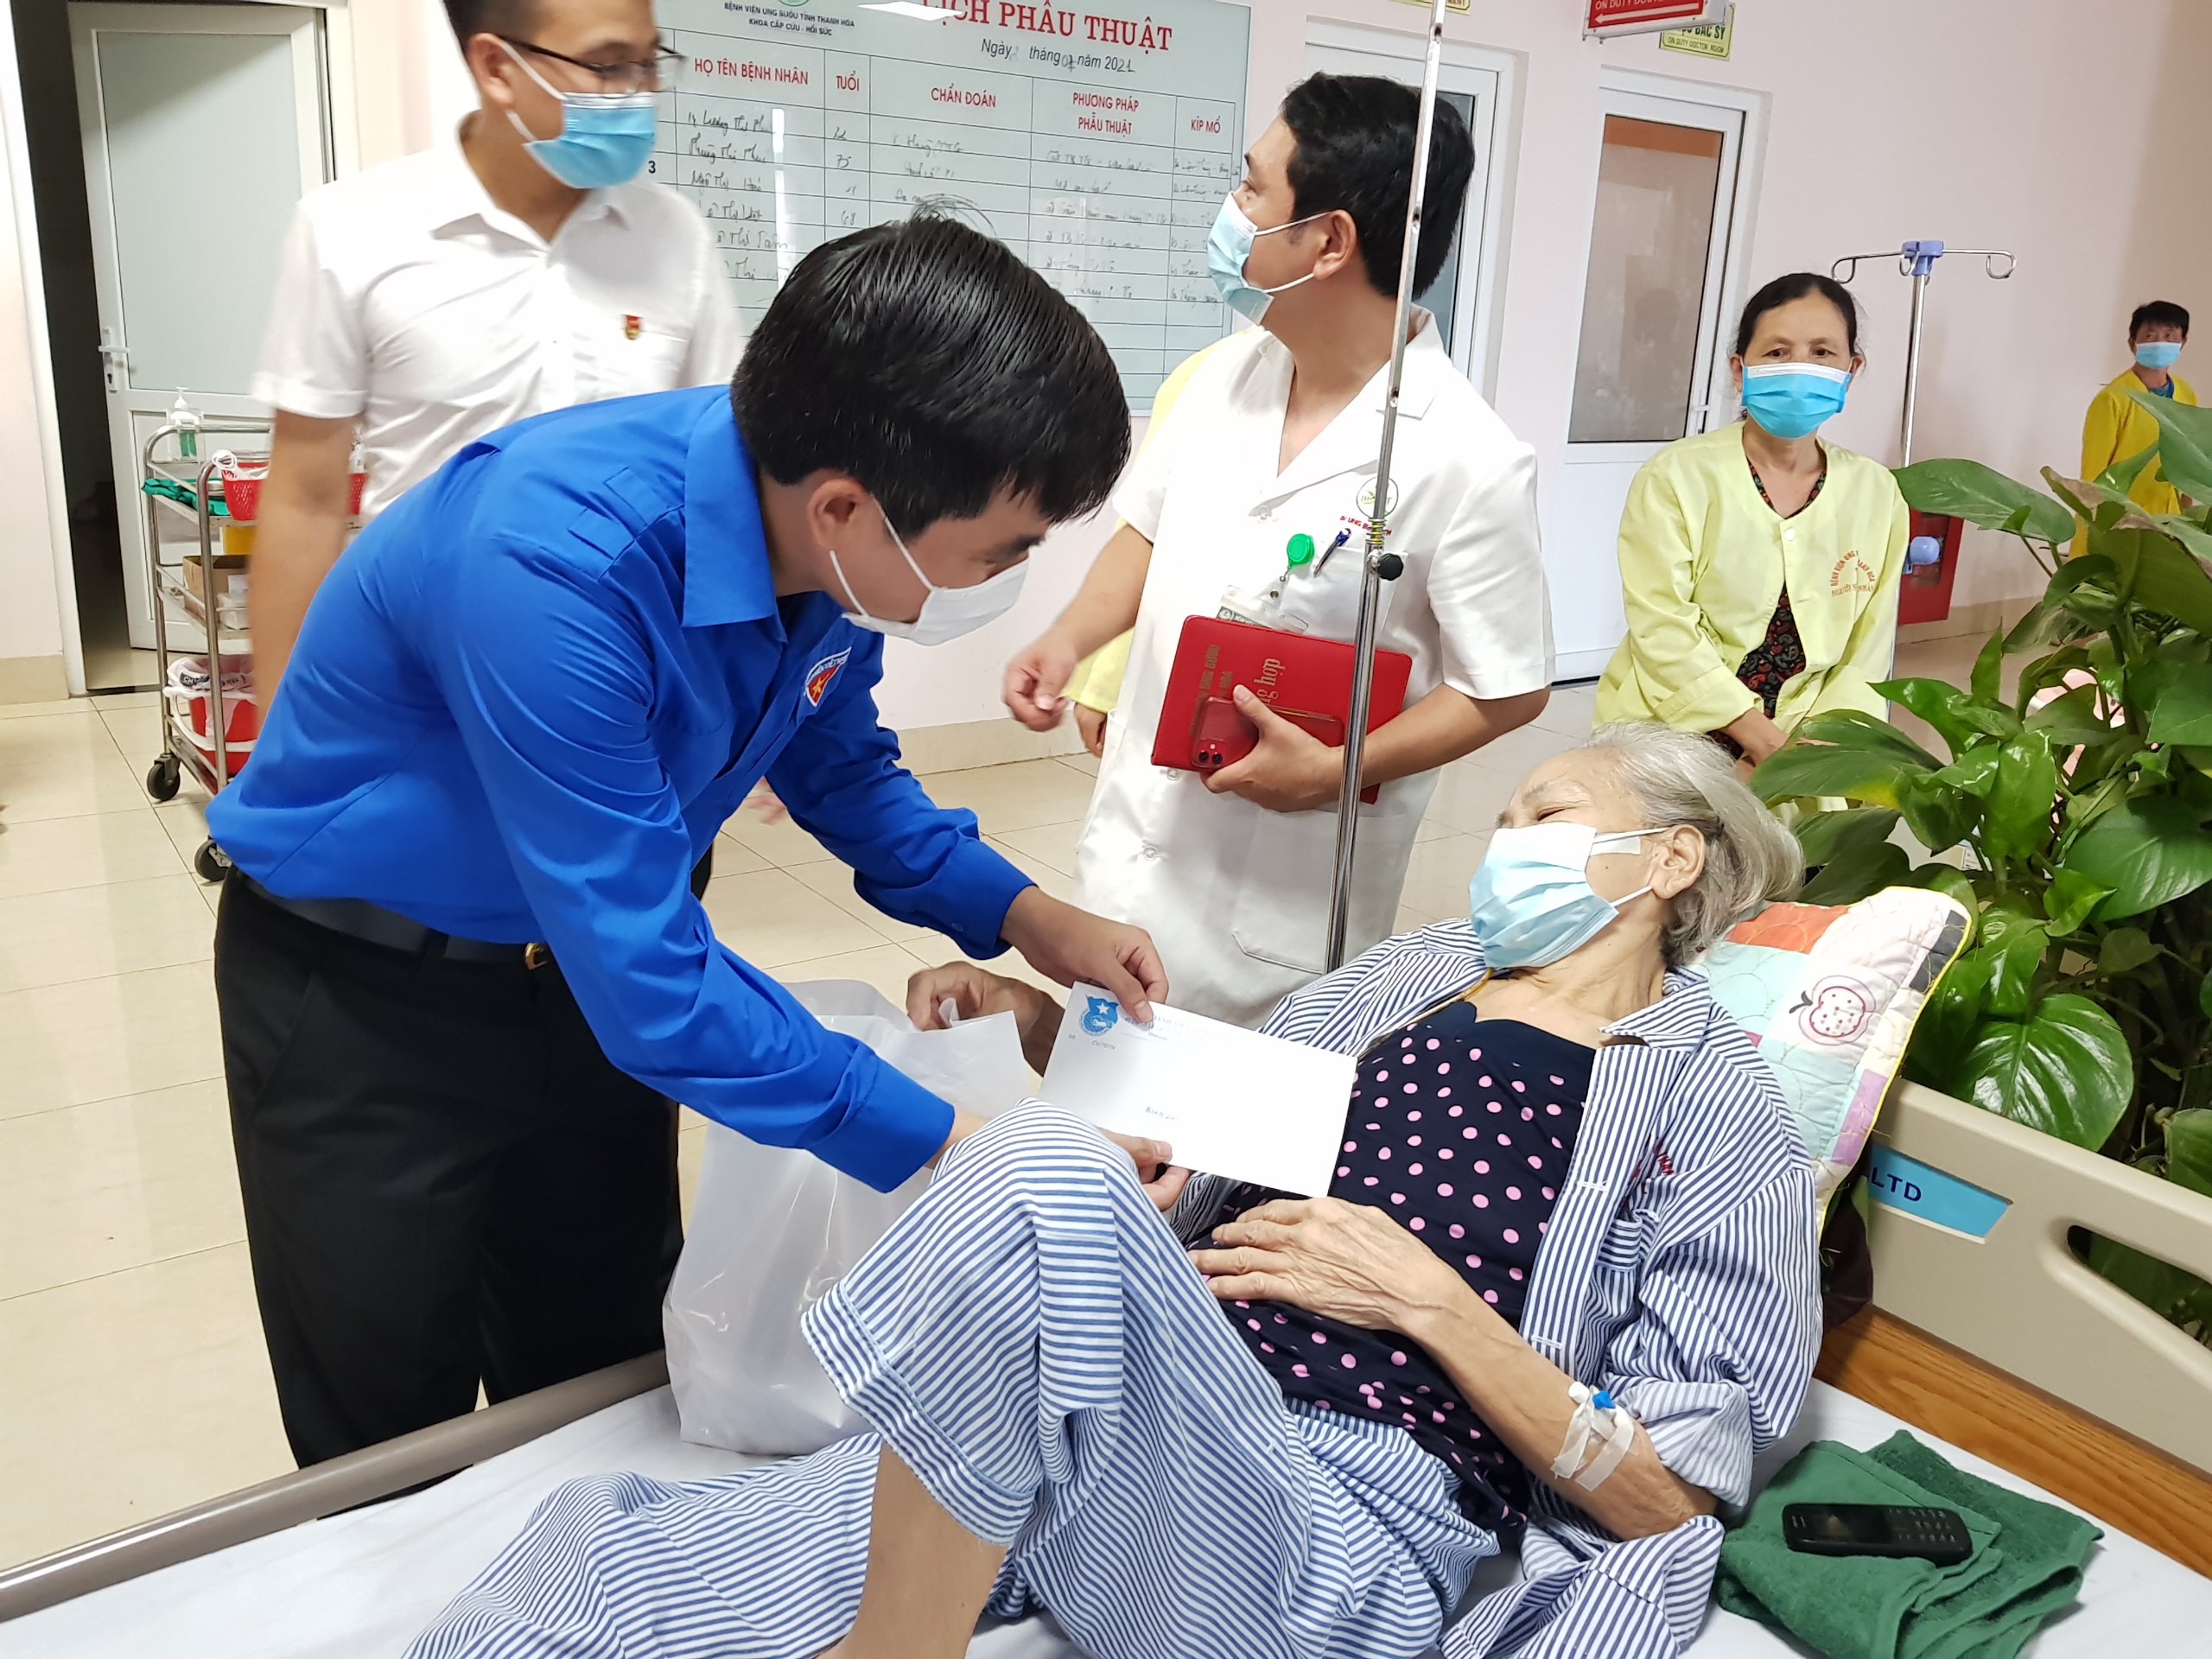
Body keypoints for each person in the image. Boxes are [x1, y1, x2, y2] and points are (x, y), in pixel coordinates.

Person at [406, 722, 1820, 1659]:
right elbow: (1206, 1112)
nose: (1506, 844)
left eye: (1544, 813)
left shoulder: (1712, 1096)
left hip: (1330, 1530)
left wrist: (1433, 1304)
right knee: (601, 1556)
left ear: (1671, 858)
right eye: (1501, 817)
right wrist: (1039, 1026)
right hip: (1123, 1418)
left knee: (1039, 1170)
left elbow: (1673, 1500)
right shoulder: (1413, 978)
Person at [205, 217, 1172, 1468]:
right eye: (1003, 551)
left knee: (605, 1370)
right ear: (847, 508)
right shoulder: (553, 564)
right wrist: (959, 1148)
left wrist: (1036, 921)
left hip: (575, 991)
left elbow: (841, 772)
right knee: (387, 1419)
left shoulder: (822, 547)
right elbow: (655, 984)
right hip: (367, 998)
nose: (1011, 579)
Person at [1004, 74, 1552, 1028]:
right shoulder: (1225, 374)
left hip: (1279, 906)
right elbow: (1147, 532)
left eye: (1253, 188)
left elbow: (1506, 689)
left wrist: (1337, 771)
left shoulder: (1468, 458)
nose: (1233, 210)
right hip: (1135, 850)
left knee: (1234, 1114)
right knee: (1108, 1078)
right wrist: (1067, 638)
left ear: (1329, 241)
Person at [250, 0, 742, 704]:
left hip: (623, 670)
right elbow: (305, 499)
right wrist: (284, 735)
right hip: (420, 674)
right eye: (608, 66)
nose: (638, 93)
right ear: (496, 67)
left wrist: (737, 695)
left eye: (649, 62)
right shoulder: (349, 231)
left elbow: (722, 474)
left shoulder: (675, 236)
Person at [1595, 272, 1910, 772]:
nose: (1800, 368)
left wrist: (1819, 747)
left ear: (1852, 369)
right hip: (1672, 730)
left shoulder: (1877, 493)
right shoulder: (1676, 476)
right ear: (1740, 370)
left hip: (1808, 739)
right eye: (1778, 352)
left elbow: (1867, 649)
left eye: (1822, 352)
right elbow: (1662, 626)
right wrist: (1762, 744)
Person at [2078, 300, 2196, 533]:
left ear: (2182, 342)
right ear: (2133, 344)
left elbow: (2189, 462)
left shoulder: (2185, 394)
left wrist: (2188, 519)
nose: (2160, 343)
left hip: (2171, 519)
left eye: (2169, 336)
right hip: (2123, 522)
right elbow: (2093, 476)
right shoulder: (2113, 398)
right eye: (2150, 336)